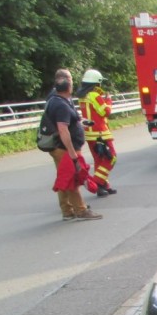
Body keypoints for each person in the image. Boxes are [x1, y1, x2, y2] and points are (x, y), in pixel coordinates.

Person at [44, 71, 102, 221]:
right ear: (66, 84)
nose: (72, 83)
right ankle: (81, 210)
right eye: (70, 80)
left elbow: (67, 123)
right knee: (72, 177)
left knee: (64, 177)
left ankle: (67, 210)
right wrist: (72, 153)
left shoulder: (59, 99)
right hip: (63, 147)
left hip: (62, 146)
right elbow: (63, 129)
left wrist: (79, 123)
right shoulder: (60, 103)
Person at [77, 69, 117, 197]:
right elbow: (105, 112)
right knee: (111, 158)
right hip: (100, 133)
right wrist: (109, 101)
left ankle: (104, 186)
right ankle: (97, 182)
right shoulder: (94, 95)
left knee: (99, 160)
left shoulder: (83, 96)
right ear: (97, 83)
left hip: (90, 134)